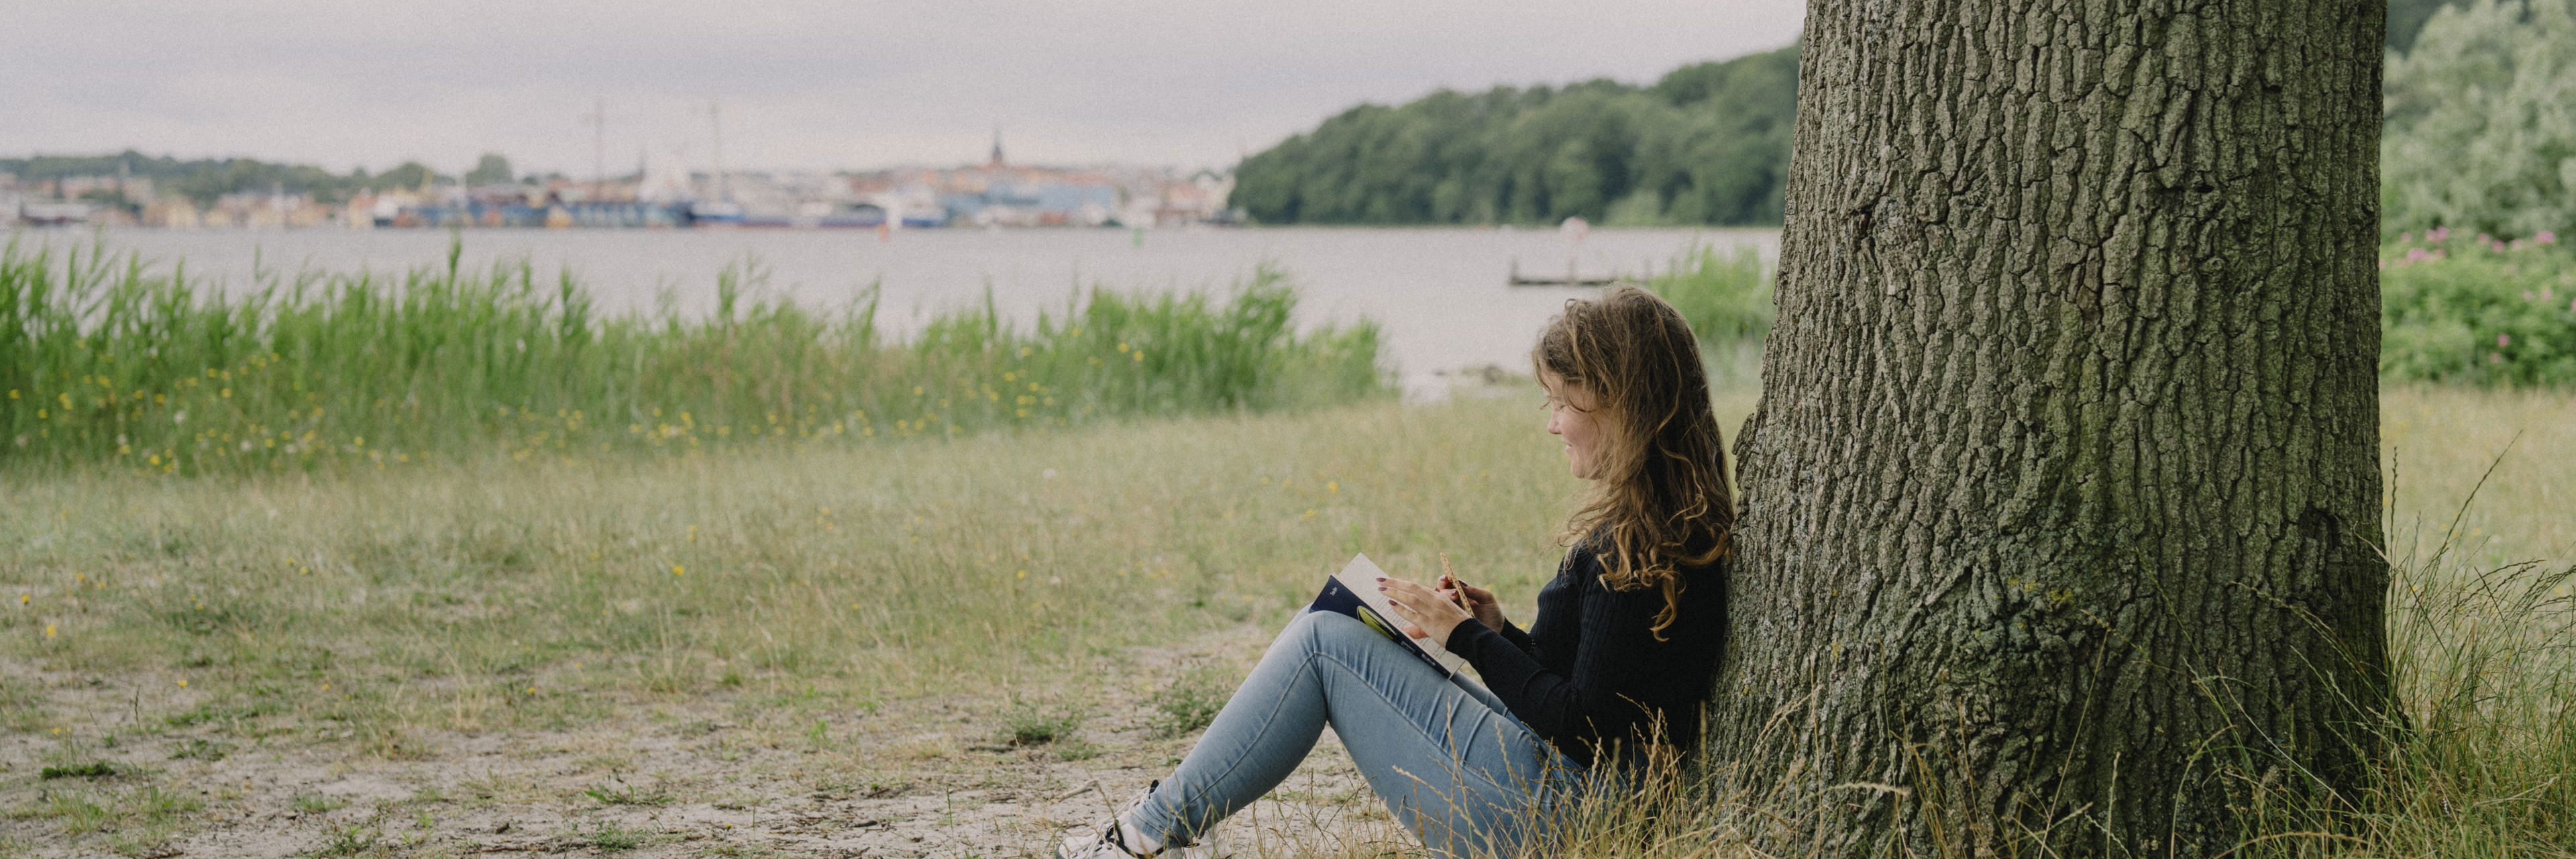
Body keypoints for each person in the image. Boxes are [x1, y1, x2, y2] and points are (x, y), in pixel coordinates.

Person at [1056, 286, 1735, 858]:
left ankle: (1140, 838)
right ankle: (1153, 828)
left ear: (1618, 402)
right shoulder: (1665, 524)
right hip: (1579, 794)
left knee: (1324, 643)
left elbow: (1586, 725)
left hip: (1566, 816)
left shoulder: (1637, 544)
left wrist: (1467, 638)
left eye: (1562, 402)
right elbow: (1595, 689)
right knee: (1334, 628)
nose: (1552, 426)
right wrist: (1496, 629)